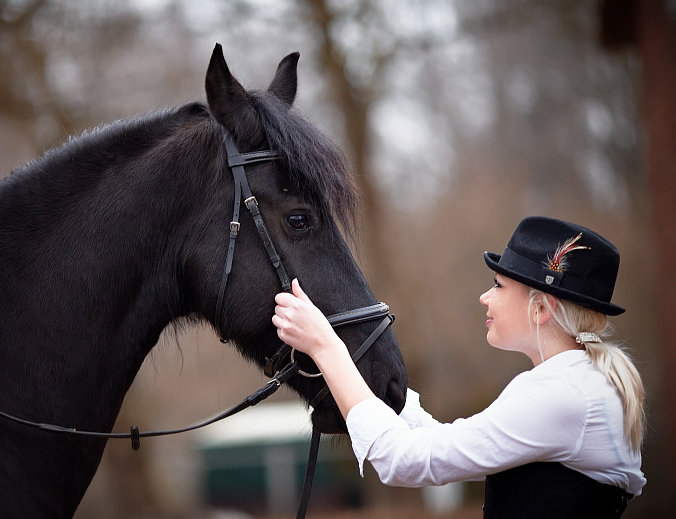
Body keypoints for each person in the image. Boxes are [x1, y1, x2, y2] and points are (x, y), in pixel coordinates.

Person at [272, 216, 646, 518]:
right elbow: (443, 443)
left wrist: (325, 346)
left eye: (498, 285)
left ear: (541, 308)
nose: (485, 297)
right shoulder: (573, 384)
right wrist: (387, 392)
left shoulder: (563, 396)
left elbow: (405, 460)